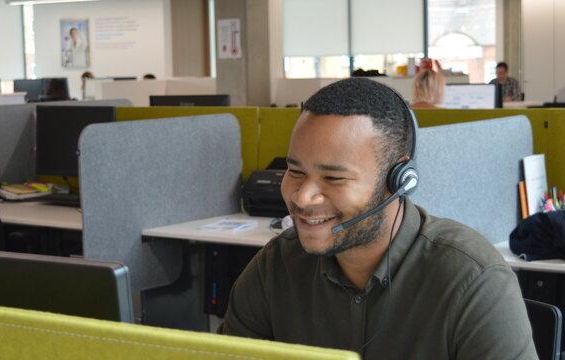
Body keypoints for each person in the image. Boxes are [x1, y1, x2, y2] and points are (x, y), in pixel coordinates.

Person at [220, 78, 537, 359]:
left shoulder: (472, 280)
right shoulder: (275, 268)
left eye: (333, 178)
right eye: (296, 172)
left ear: (398, 181)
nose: (302, 197)